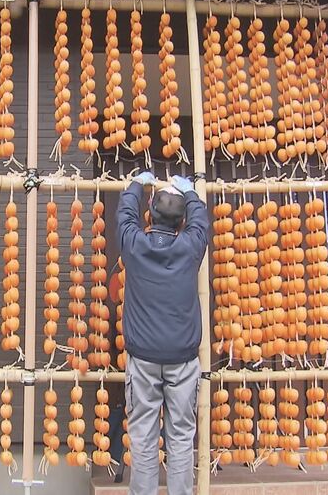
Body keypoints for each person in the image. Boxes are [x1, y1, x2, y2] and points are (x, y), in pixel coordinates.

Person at [116, 172, 209, 495]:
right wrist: (191, 193)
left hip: (143, 359)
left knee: (143, 436)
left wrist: (136, 185)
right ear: (182, 220)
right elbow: (201, 222)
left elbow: (124, 214)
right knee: (181, 436)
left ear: (149, 213)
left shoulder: (134, 245)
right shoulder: (190, 247)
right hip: (182, 360)